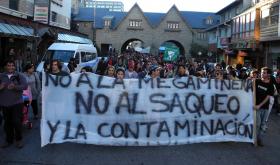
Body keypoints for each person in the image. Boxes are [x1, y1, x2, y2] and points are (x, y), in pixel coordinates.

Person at [0, 60, 28, 148]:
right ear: (5, 67)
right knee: (7, 123)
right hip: (4, 103)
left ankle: (19, 140)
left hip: (17, 103)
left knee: (16, 122)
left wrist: (15, 87)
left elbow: (25, 86)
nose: (11, 67)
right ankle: (9, 140)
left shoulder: (19, 75)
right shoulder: (1, 76)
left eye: (12, 65)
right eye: (9, 65)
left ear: (14, 67)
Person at [254, 67, 274, 146]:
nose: (262, 74)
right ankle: (254, 139)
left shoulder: (270, 85)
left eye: (264, 73)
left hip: (264, 107)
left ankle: (259, 139)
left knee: (263, 124)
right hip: (256, 107)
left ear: (268, 74)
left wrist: (260, 105)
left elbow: (268, 97)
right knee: (257, 123)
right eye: (262, 72)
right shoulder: (257, 81)